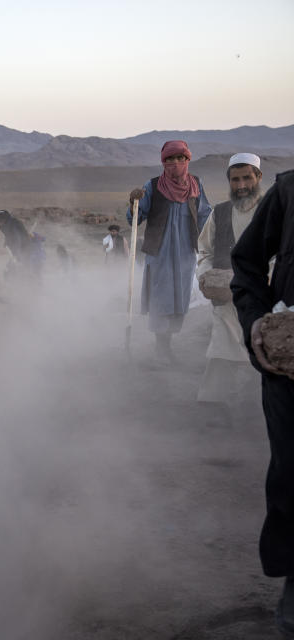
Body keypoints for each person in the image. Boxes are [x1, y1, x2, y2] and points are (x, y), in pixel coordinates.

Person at [230, 168, 294, 634]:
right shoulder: (290, 191)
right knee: (292, 472)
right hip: (290, 366)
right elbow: (247, 262)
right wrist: (256, 321)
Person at [127, 140, 213, 362]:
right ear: (163, 162)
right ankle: (161, 345)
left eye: (180, 158)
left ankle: (168, 342)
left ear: (187, 159)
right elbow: (134, 219)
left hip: (185, 251)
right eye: (170, 159)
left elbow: (205, 215)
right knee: (161, 298)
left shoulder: (196, 185)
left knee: (179, 299)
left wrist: (216, 237)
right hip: (160, 252)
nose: (176, 163)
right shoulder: (153, 186)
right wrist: (133, 203)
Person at [196, 153, 264, 406]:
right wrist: (208, 278)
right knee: (221, 349)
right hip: (225, 300)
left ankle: (259, 406)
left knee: (264, 351)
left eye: (247, 178)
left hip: (264, 299)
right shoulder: (220, 213)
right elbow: (205, 251)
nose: (242, 185)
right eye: (235, 180)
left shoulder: (274, 211)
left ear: (258, 177)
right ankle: (212, 405)